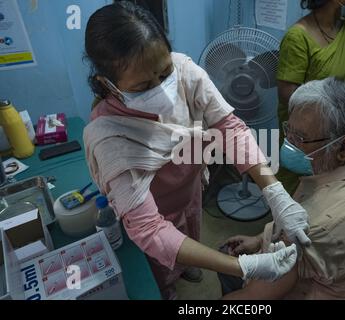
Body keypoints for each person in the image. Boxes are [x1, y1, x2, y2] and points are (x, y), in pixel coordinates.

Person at [83, 2, 309, 299]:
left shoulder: (185, 71)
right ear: (107, 84)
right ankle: (168, 288)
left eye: (164, 74)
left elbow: (229, 127)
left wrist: (274, 191)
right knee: (160, 261)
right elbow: (150, 229)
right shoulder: (108, 136)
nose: (162, 89)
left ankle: (187, 266)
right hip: (153, 206)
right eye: (142, 87)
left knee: (191, 228)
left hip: (189, 187)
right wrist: (241, 267)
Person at [219, 78, 345, 300]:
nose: (288, 144)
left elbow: (251, 299)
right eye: (289, 131)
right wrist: (260, 239)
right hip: (339, 276)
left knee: (224, 263)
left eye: (300, 138)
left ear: (344, 147)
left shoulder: (311, 227)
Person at [276, 0, 345, 194]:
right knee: (301, 200)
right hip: (312, 142)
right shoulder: (298, 37)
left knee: (336, 197)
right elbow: (288, 95)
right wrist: (336, 119)